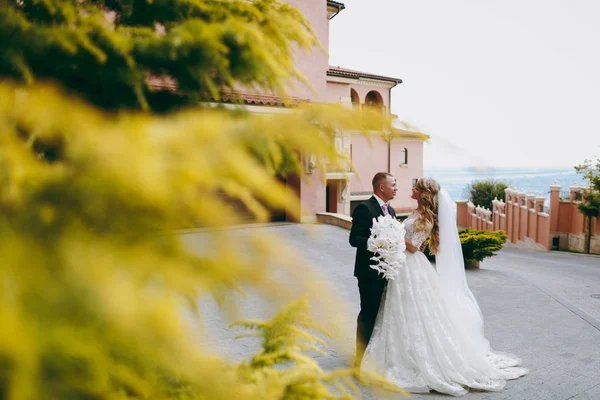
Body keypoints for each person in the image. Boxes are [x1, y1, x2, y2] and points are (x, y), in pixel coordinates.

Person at [361, 178, 528, 396]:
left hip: (411, 266)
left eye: (416, 187)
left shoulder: (427, 217)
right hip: (402, 266)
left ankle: (416, 359)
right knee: (402, 312)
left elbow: (413, 248)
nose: (411, 189)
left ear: (423, 193)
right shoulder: (417, 212)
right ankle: (400, 352)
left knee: (414, 312)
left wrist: (393, 238)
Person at [349, 172, 397, 369]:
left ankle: (375, 356)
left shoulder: (392, 211)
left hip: (387, 273)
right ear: (381, 187)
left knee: (382, 314)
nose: (396, 188)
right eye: (393, 184)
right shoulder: (364, 208)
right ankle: (359, 359)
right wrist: (376, 243)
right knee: (368, 313)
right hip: (369, 273)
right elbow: (354, 239)